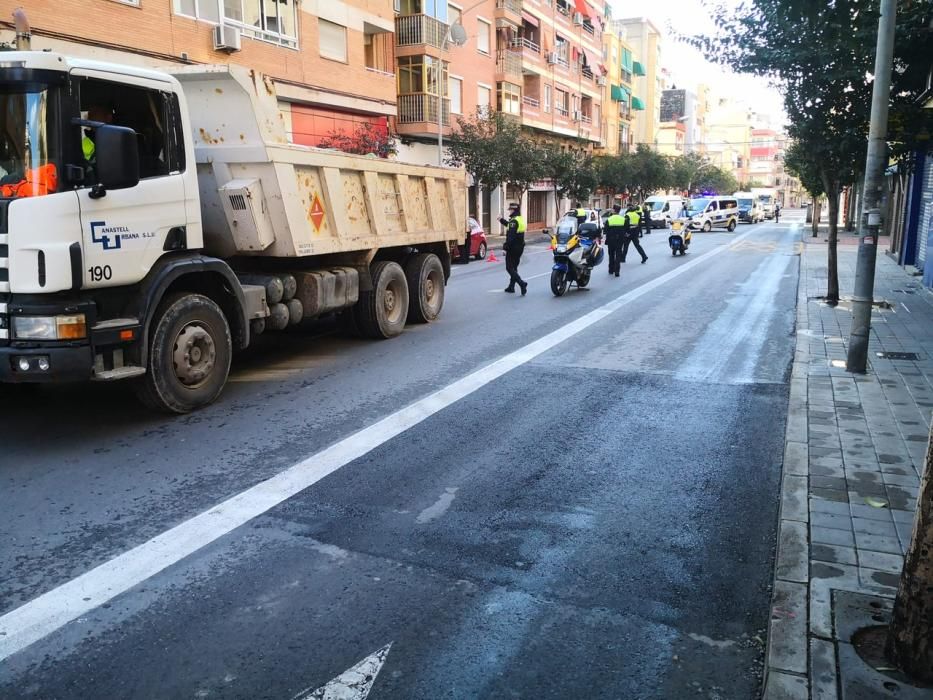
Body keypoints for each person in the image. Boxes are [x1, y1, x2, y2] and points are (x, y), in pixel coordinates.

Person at [499, 202, 528, 295]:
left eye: (510, 210)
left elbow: (510, 236)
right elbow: (510, 226)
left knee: (509, 268)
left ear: (514, 210)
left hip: (513, 248)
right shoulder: (519, 219)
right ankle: (511, 287)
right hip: (520, 247)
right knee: (514, 267)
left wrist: (505, 248)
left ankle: (521, 283)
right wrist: (501, 220)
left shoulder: (514, 221)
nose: (509, 211)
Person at [603, 204, 626, 277]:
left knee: (611, 255)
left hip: (611, 239)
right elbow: (626, 229)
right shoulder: (623, 219)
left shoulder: (609, 219)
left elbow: (605, 230)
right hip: (620, 239)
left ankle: (611, 270)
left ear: (614, 210)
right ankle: (617, 271)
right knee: (618, 254)